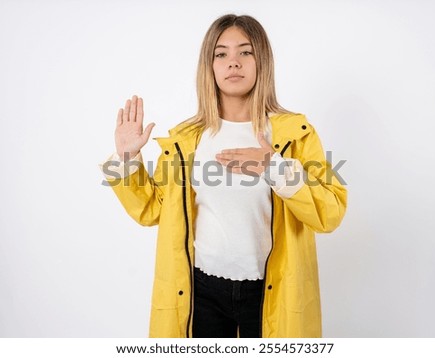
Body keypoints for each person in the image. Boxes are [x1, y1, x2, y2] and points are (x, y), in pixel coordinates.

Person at [101, 14, 347, 338]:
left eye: (245, 52)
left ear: (262, 62)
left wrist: (276, 169)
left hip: (270, 293)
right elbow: (152, 209)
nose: (234, 62)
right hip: (199, 292)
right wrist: (128, 156)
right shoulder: (186, 139)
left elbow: (330, 213)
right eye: (222, 53)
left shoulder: (295, 134)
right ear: (210, 66)